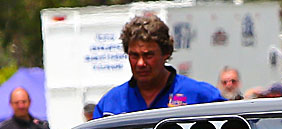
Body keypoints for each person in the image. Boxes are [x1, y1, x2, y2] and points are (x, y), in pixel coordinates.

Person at [93, 14, 223, 117]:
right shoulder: (109, 105)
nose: (141, 63)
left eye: (148, 55)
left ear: (166, 53)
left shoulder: (200, 95)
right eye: (134, 55)